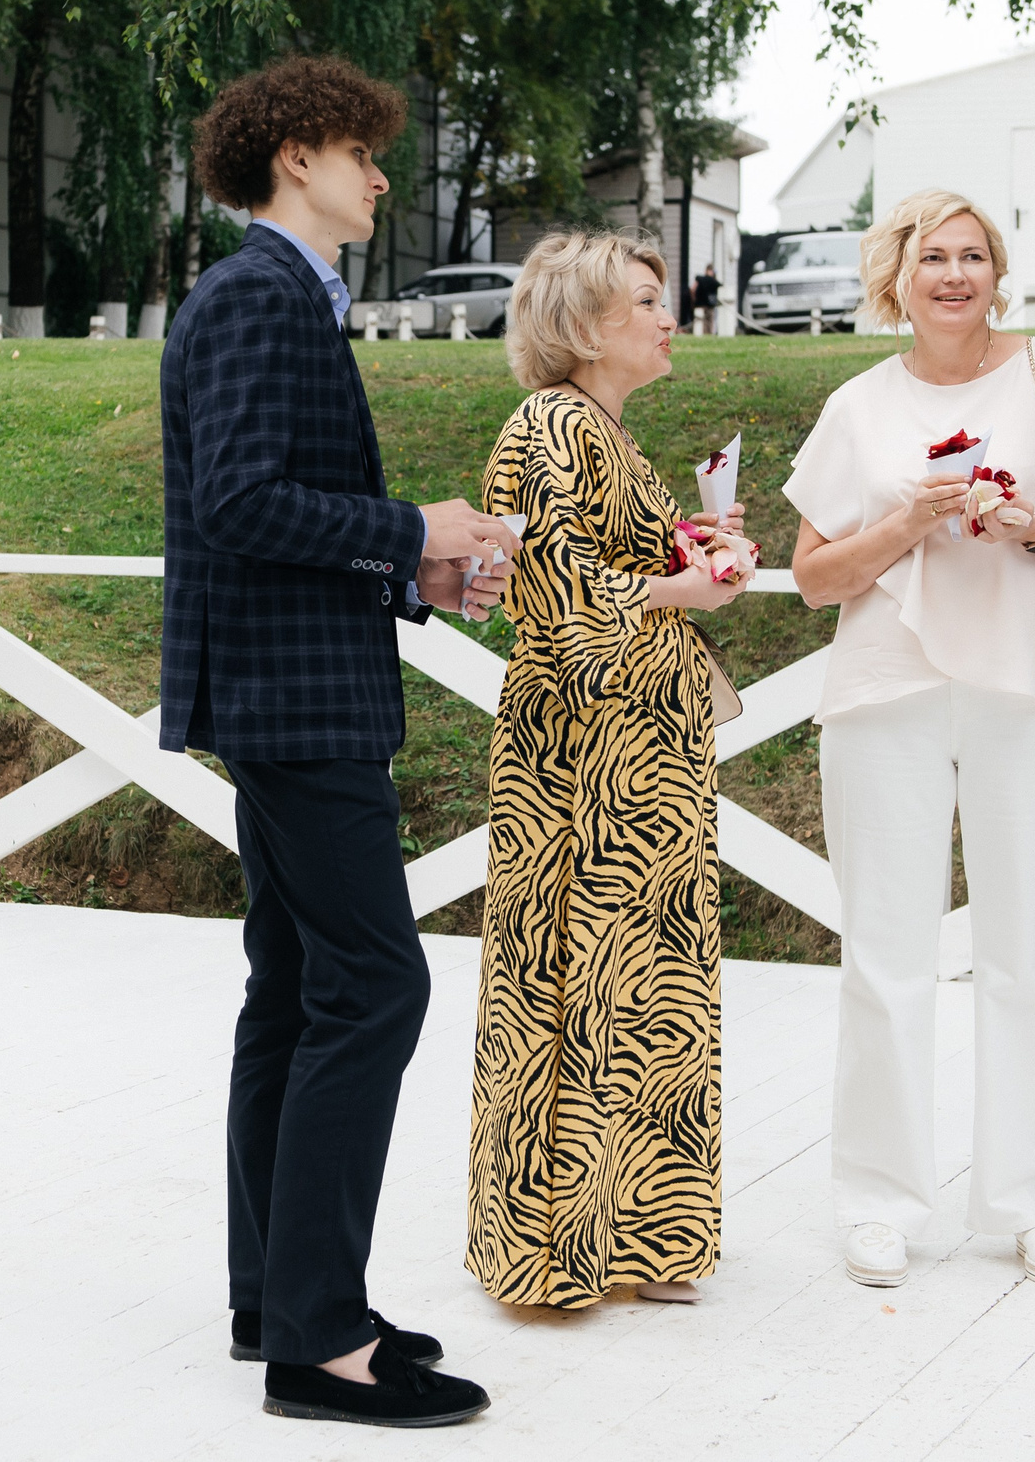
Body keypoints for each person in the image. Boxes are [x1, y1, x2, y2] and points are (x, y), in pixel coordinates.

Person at [160, 54, 510, 1428]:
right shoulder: (257, 293)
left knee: (302, 989)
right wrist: (408, 527)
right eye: (365, 153)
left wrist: (406, 572)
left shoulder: (281, 296)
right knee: (375, 989)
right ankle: (318, 1339)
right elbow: (245, 498)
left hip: (290, 683)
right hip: (294, 703)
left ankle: (281, 1301)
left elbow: (266, 507)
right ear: (298, 152)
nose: (380, 174)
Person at [783, 188, 1035, 1289]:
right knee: (885, 951)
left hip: (1029, 687)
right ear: (900, 274)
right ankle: (878, 1198)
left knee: (1027, 947)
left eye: (972, 256)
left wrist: (1033, 526)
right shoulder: (858, 403)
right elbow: (809, 577)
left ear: (997, 272)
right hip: (888, 682)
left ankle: (1032, 1200)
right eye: (932, 256)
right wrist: (911, 520)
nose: (953, 274)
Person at [465, 232, 752, 1310]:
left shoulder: (602, 430)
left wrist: (696, 550)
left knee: (649, 985)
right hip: (585, 759)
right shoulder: (550, 423)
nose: (666, 316)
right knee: (580, 982)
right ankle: (557, 1245)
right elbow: (547, 584)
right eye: (644, 300)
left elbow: (610, 561)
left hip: (643, 751)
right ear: (583, 325)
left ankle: (644, 1233)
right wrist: (688, 590)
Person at [691, 263, 723, 336]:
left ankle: (701, 334)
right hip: (710, 305)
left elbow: (693, 289)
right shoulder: (714, 282)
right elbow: (721, 288)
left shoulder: (699, 279)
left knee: (700, 321)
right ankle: (709, 334)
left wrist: (693, 299)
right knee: (709, 321)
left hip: (699, 304)